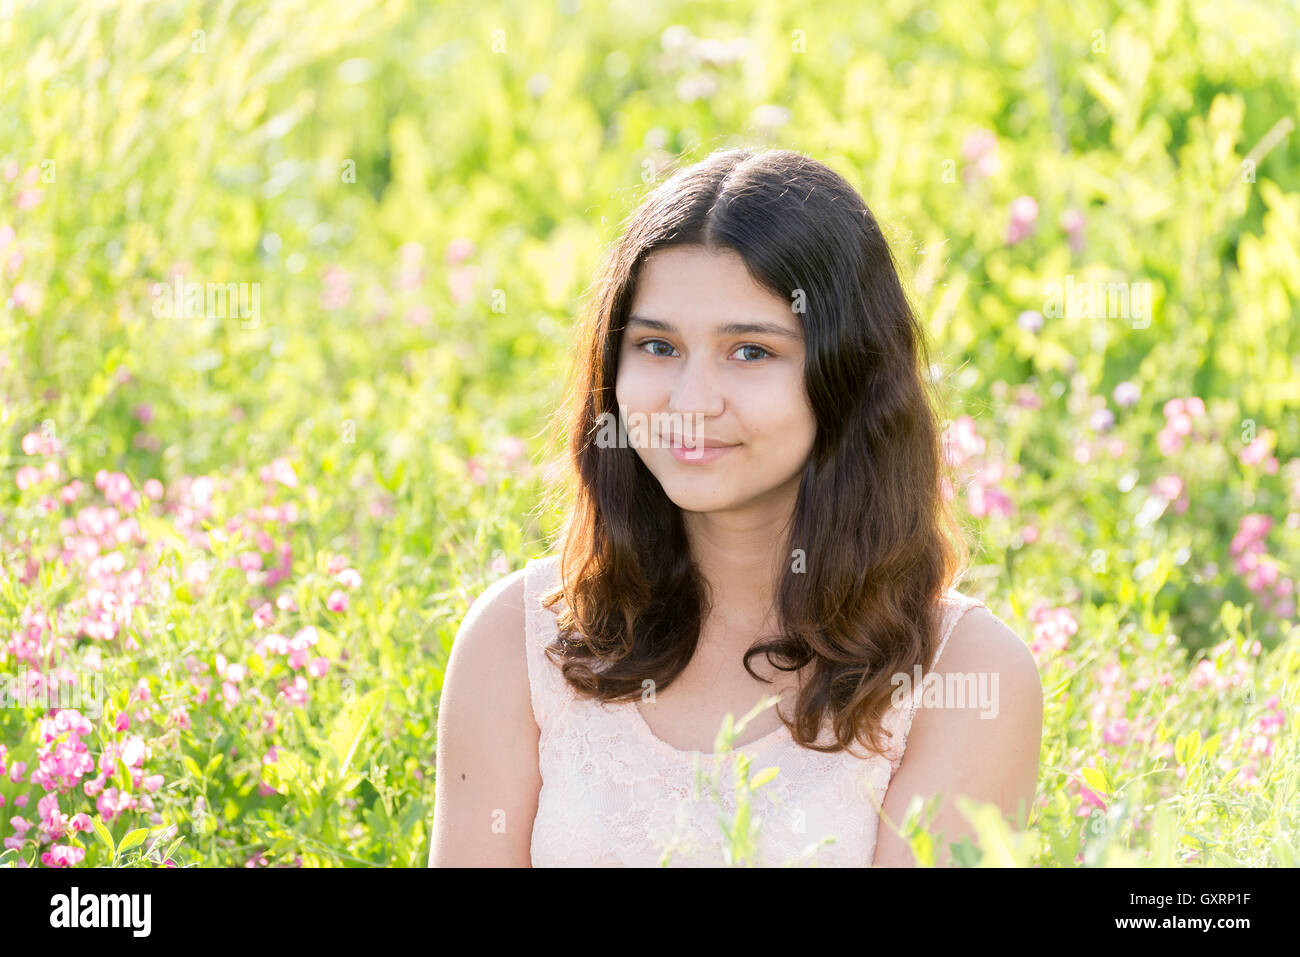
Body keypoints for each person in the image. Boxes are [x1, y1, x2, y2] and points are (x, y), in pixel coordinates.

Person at [430, 148, 1042, 867]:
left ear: (849, 377)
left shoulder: (965, 674)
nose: (690, 402)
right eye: (658, 346)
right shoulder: (517, 640)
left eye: (750, 352)